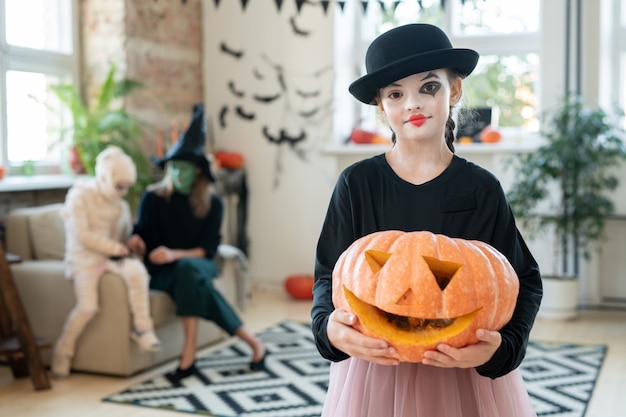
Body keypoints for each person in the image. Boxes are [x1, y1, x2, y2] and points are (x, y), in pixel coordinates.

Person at [311, 24, 543, 416]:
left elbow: (524, 280)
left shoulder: (480, 188)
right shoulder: (357, 184)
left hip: (460, 374)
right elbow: (327, 275)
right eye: (396, 94)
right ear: (382, 106)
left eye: (428, 87)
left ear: (453, 91)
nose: (413, 104)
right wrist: (327, 329)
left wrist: (504, 348)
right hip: (374, 374)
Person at [127, 103, 265, 380]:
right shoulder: (152, 198)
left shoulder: (211, 203)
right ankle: (254, 343)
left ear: (198, 172)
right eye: (173, 168)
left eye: (184, 169)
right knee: (193, 284)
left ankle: (188, 354)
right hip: (160, 271)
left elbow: (209, 249)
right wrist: (137, 243)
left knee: (188, 271)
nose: (178, 175)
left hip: (200, 263)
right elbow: (141, 233)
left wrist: (174, 254)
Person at [52, 146, 161, 378]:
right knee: (88, 307)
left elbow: (121, 237)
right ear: (105, 177)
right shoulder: (79, 196)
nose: (122, 192)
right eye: (119, 187)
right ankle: (63, 352)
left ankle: (143, 329)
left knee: (137, 272)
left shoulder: (119, 205)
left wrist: (132, 244)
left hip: (111, 257)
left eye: (126, 188)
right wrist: (115, 247)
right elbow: (81, 234)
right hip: (84, 260)